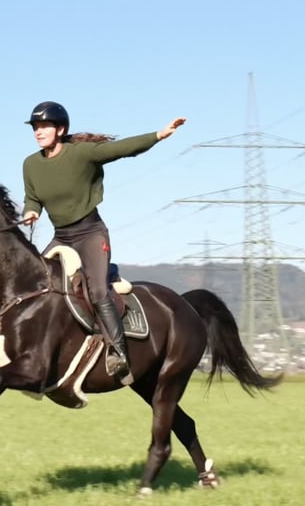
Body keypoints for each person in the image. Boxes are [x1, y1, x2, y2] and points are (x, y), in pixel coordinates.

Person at [22, 101, 186, 379]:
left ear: (60, 129)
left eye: (44, 126)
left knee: (97, 291)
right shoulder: (30, 164)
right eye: (35, 127)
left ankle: (118, 351)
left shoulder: (82, 153)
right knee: (37, 285)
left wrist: (158, 135)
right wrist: (31, 211)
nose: (38, 132)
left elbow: (123, 149)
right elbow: (33, 197)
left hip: (90, 234)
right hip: (61, 238)